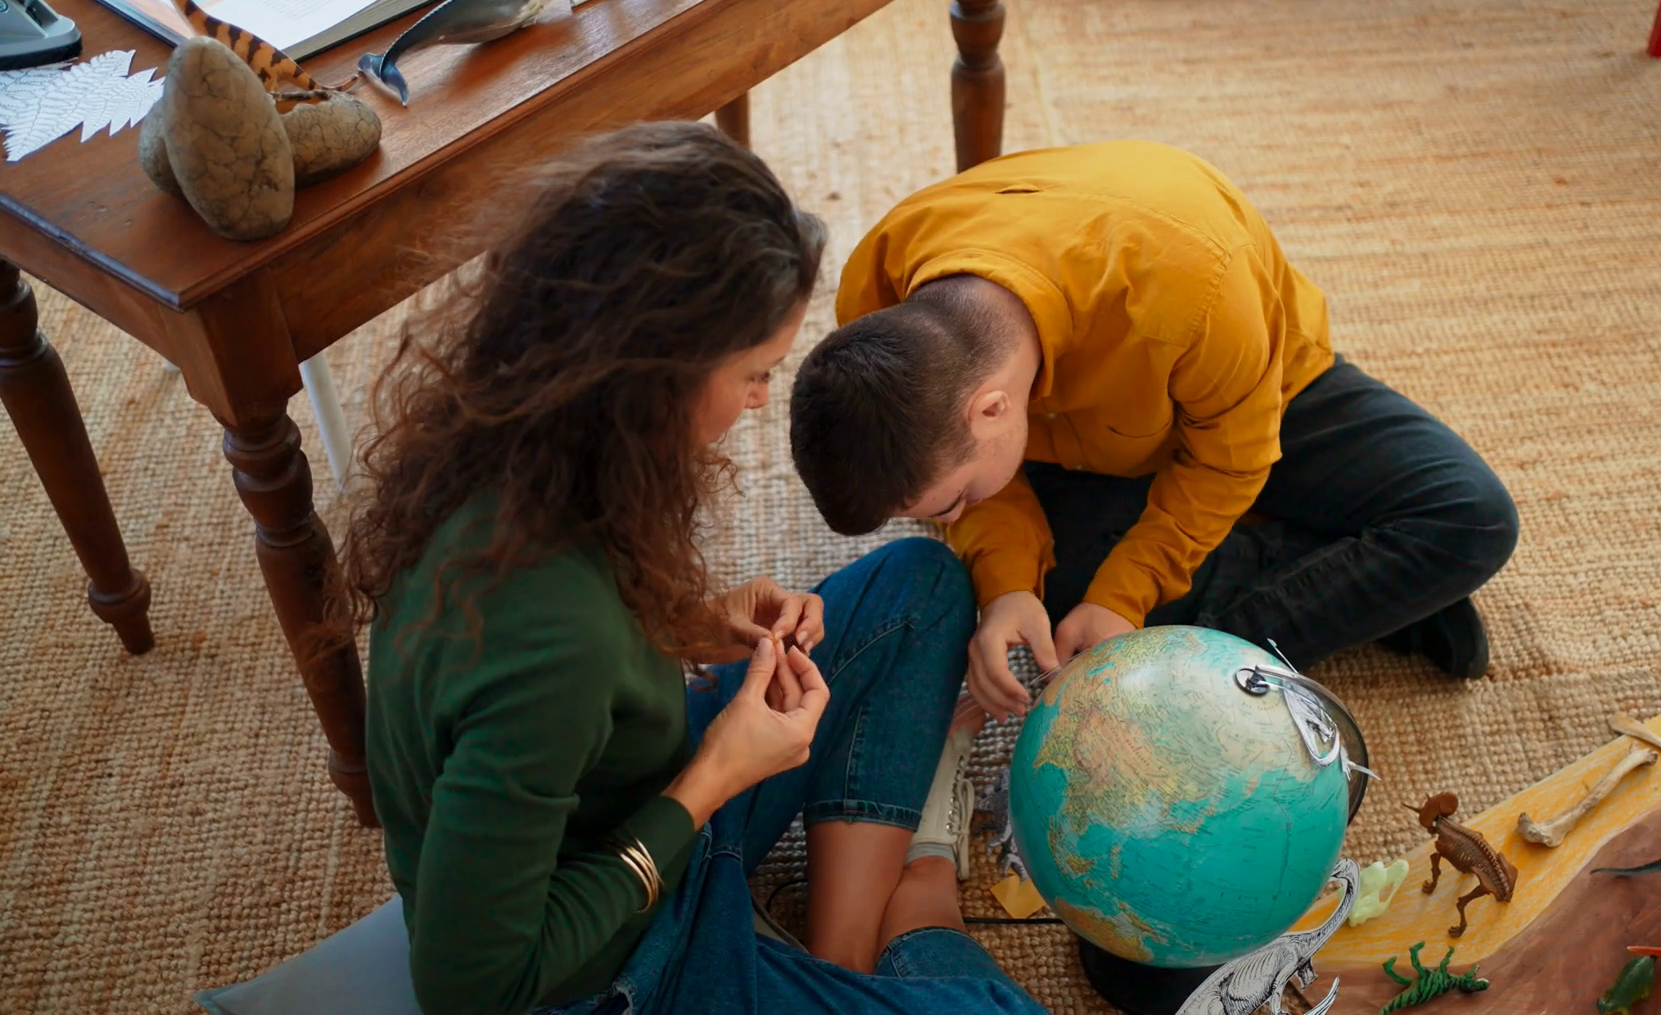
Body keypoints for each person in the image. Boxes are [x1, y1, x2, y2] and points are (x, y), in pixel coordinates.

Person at [342, 122, 1044, 1015]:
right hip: (622, 959)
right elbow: (467, 988)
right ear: (655, 377)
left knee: (920, 586)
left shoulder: (514, 446)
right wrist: (715, 774)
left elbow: (539, 666)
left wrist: (685, 624)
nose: (760, 400)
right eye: (754, 372)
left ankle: (837, 954)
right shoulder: (553, 643)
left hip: (640, 803)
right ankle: (917, 911)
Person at [789, 139, 1519, 721]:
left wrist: (1125, 598)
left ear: (991, 408)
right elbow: (983, 499)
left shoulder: (1194, 293)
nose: (952, 519)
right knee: (1058, 616)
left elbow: (1228, 464)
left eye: (955, 501)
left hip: (1257, 397)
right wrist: (1006, 585)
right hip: (1073, 448)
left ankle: (1238, 638)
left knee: (1472, 519)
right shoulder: (881, 291)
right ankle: (1374, 595)